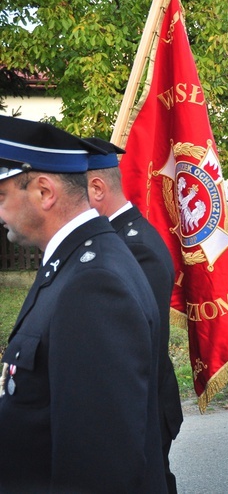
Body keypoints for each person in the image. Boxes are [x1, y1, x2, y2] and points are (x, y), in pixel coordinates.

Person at [0, 115, 166, 492]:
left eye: (2, 196)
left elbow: (99, 465)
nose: (0, 213)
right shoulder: (74, 262)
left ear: (44, 191)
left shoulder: (94, 283)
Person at [85, 137, 183, 494]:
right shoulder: (113, 240)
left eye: (73, 192)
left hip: (142, 408)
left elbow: (135, 347)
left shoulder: (135, 246)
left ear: (97, 189)